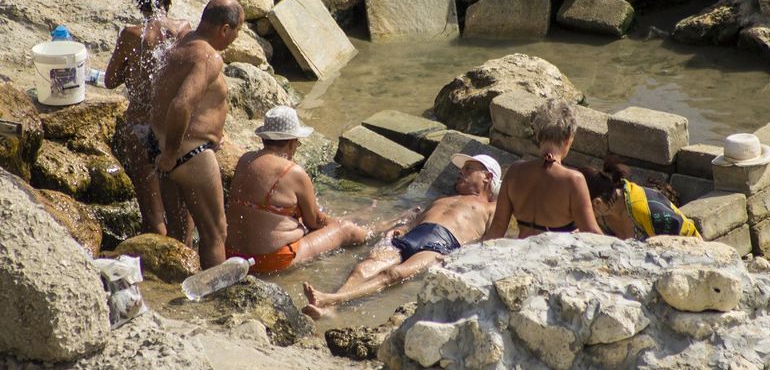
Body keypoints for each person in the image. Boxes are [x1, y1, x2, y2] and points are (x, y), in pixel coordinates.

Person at [301, 152, 501, 318]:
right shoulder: (443, 198)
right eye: (462, 169)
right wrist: (402, 229)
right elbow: (417, 220)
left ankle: (331, 299)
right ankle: (331, 308)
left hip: (442, 245)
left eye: (469, 169)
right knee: (363, 268)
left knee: (394, 274)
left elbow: (490, 242)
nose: (461, 171)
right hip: (414, 235)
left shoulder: (491, 208)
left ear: (487, 177)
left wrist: (461, 257)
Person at [225, 105, 381, 273]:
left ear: (264, 139)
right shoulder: (293, 172)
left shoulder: (245, 159)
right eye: (297, 143)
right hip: (269, 260)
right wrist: (340, 224)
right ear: (291, 142)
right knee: (346, 230)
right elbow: (315, 222)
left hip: (233, 255)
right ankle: (378, 231)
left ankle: (358, 220)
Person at [149, 0, 245, 269]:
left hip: (158, 144)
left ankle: (177, 281)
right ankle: (216, 291)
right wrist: (171, 153)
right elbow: (181, 104)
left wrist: (166, 152)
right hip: (188, 153)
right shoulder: (209, 57)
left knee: (180, 230)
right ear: (224, 29)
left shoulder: (182, 42)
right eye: (237, 31)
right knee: (215, 233)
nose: (237, 37)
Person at [105, 0, 191, 237]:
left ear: (139, 0)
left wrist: (131, 72)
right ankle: (186, 255)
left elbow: (109, 81)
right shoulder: (183, 30)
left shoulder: (132, 34)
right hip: (175, 128)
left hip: (141, 128)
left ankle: (155, 258)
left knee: (153, 216)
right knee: (182, 211)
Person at [484, 98, 603, 240]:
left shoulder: (514, 171)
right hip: (554, 252)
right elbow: (591, 233)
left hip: (522, 249)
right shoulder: (574, 180)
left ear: (537, 135)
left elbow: (497, 228)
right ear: (568, 138)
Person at [580, 159, 701, 240]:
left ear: (597, 202)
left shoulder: (647, 211)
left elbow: (684, 243)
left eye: (580, 207)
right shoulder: (602, 213)